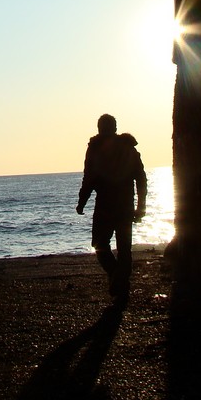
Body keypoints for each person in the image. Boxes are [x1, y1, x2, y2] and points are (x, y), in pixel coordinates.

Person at [75, 114, 147, 303]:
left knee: (102, 245)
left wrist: (82, 201)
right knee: (121, 249)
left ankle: (118, 280)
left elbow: (89, 178)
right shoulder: (126, 148)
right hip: (123, 205)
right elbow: (141, 179)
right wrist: (141, 206)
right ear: (114, 127)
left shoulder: (97, 148)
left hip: (107, 205)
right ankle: (120, 281)